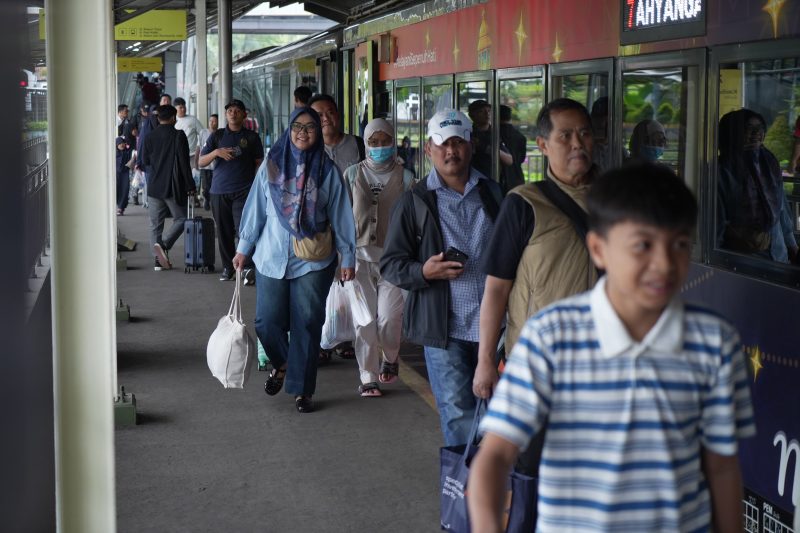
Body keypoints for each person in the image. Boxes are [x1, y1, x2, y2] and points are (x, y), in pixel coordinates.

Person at [468, 163, 755, 533]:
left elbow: (722, 466)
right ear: (599, 249)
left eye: (680, 244)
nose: (664, 263)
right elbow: (494, 457)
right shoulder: (550, 337)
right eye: (643, 245)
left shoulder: (714, 343)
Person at [380, 109, 502, 445]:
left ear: (471, 145)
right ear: (429, 149)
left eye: (458, 142)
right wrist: (424, 271)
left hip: (495, 328)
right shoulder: (413, 202)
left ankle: (491, 477)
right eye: (443, 144)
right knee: (459, 416)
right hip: (444, 331)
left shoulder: (494, 194)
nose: (451, 151)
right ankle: (464, 479)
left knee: (496, 419)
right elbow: (391, 264)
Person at [233, 106, 356, 414]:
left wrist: (348, 256)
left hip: (313, 260)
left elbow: (342, 215)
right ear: (288, 130)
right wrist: (244, 247)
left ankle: (303, 389)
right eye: (297, 127)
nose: (303, 132)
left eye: (310, 127)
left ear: (318, 133)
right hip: (271, 255)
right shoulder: (271, 166)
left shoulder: (327, 170)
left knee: (308, 323)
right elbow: (256, 208)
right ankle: (285, 363)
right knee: (267, 322)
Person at [474, 98, 599, 403]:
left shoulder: (618, 202)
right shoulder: (524, 203)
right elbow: (496, 288)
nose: (577, 143)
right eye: (565, 135)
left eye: (584, 133)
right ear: (543, 145)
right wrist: (485, 361)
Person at [342, 118, 414, 397]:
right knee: (364, 322)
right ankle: (368, 376)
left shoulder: (406, 178)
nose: (380, 147)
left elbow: (413, 220)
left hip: (393, 261)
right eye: (374, 142)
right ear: (366, 143)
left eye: (385, 141)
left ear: (393, 142)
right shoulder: (351, 174)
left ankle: (391, 357)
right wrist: (342, 258)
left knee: (388, 318)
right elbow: (341, 217)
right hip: (358, 260)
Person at [309, 93, 366, 361]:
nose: (325, 118)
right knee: (320, 285)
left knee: (349, 282)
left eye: (330, 112)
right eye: (319, 115)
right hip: (318, 228)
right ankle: (322, 342)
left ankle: (344, 336)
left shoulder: (357, 145)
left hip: (353, 225)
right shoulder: (307, 148)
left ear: (339, 114)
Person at [717, 108, 798, 264]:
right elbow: (717, 221)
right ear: (733, 133)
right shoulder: (721, 170)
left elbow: (781, 209)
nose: (756, 133)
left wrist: (791, 245)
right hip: (742, 260)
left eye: (760, 128)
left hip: (777, 253)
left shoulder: (769, 164)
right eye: (749, 128)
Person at [198, 99, 264, 284]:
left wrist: (257, 186)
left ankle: (248, 268)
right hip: (219, 191)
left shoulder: (252, 137)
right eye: (229, 111)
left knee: (244, 230)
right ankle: (228, 267)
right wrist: (216, 153)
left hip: (244, 191)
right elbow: (201, 162)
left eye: (237, 111)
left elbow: (260, 164)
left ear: (244, 115)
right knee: (224, 231)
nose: (233, 114)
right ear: (226, 115)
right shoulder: (217, 136)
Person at [140, 105, 197, 271]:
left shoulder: (149, 136)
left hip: (154, 186)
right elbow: (184, 164)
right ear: (173, 118)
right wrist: (190, 185)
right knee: (182, 219)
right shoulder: (178, 135)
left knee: (155, 225)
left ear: (158, 119)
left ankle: (158, 260)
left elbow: (144, 160)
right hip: (173, 186)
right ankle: (164, 245)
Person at [467, 99, 512, 179]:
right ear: (472, 115)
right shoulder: (467, 133)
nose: (487, 114)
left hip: (493, 178)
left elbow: (509, 160)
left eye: (489, 111)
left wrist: (485, 147)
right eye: (481, 111)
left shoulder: (497, 133)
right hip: (471, 178)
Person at [173, 97, 204, 206]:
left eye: (184, 107)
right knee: (181, 176)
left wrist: (199, 147)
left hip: (193, 154)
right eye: (180, 107)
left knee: (194, 177)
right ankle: (182, 198)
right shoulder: (173, 121)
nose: (183, 109)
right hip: (178, 155)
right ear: (175, 109)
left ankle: (194, 198)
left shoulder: (193, 120)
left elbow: (202, 133)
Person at [498, 104, 527, 193]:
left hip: (498, 178)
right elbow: (521, 159)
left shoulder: (493, 135)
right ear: (510, 117)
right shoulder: (520, 136)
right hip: (516, 178)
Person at [195, 113, 218, 210]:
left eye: (214, 121)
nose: (212, 123)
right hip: (204, 166)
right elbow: (198, 147)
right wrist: (196, 161)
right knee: (205, 186)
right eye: (210, 121)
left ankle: (212, 202)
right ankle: (206, 199)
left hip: (215, 166)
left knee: (214, 186)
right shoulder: (203, 132)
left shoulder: (220, 134)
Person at [115, 122, 135, 216]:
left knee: (124, 190)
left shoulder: (128, 152)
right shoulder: (114, 154)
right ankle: (117, 207)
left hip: (125, 175)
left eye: (122, 143)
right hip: (116, 175)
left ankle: (120, 208)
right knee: (116, 190)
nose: (121, 145)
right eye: (119, 144)